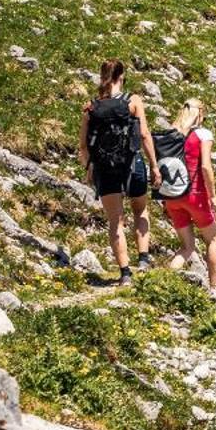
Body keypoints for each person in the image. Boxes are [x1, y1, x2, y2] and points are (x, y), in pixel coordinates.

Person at [79, 59, 159, 286]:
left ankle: (125, 274)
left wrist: (89, 167)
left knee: (116, 221)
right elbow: (144, 134)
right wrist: (154, 165)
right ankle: (143, 260)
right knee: (140, 210)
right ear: (121, 76)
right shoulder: (133, 101)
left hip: (105, 168)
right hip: (133, 164)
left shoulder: (91, 107)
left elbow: (83, 146)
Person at [157, 99, 216, 294]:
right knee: (212, 239)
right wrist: (213, 196)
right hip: (196, 195)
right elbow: (205, 166)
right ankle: (215, 289)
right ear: (200, 114)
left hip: (172, 195)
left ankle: (161, 283)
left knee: (187, 247)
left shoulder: (171, 134)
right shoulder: (203, 134)